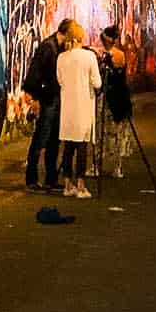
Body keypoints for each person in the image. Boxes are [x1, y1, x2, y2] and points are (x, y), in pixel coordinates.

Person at [56, 18, 101, 199]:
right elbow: (97, 82)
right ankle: (81, 185)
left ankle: (68, 184)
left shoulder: (61, 58)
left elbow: (60, 81)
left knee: (68, 147)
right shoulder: (89, 57)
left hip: (67, 107)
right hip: (84, 107)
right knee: (82, 147)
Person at [23, 16, 67, 192]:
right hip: (47, 99)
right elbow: (35, 73)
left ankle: (50, 178)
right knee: (41, 139)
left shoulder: (58, 47)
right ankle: (32, 179)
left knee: (54, 140)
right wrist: (35, 99)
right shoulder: (48, 47)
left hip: (54, 98)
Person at [97, 23, 133, 180]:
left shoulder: (108, 56)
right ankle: (117, 167)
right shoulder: (121, 54)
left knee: (101, 133)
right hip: (121, 98)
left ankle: (97, 166)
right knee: (118, 134)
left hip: (107, 97)